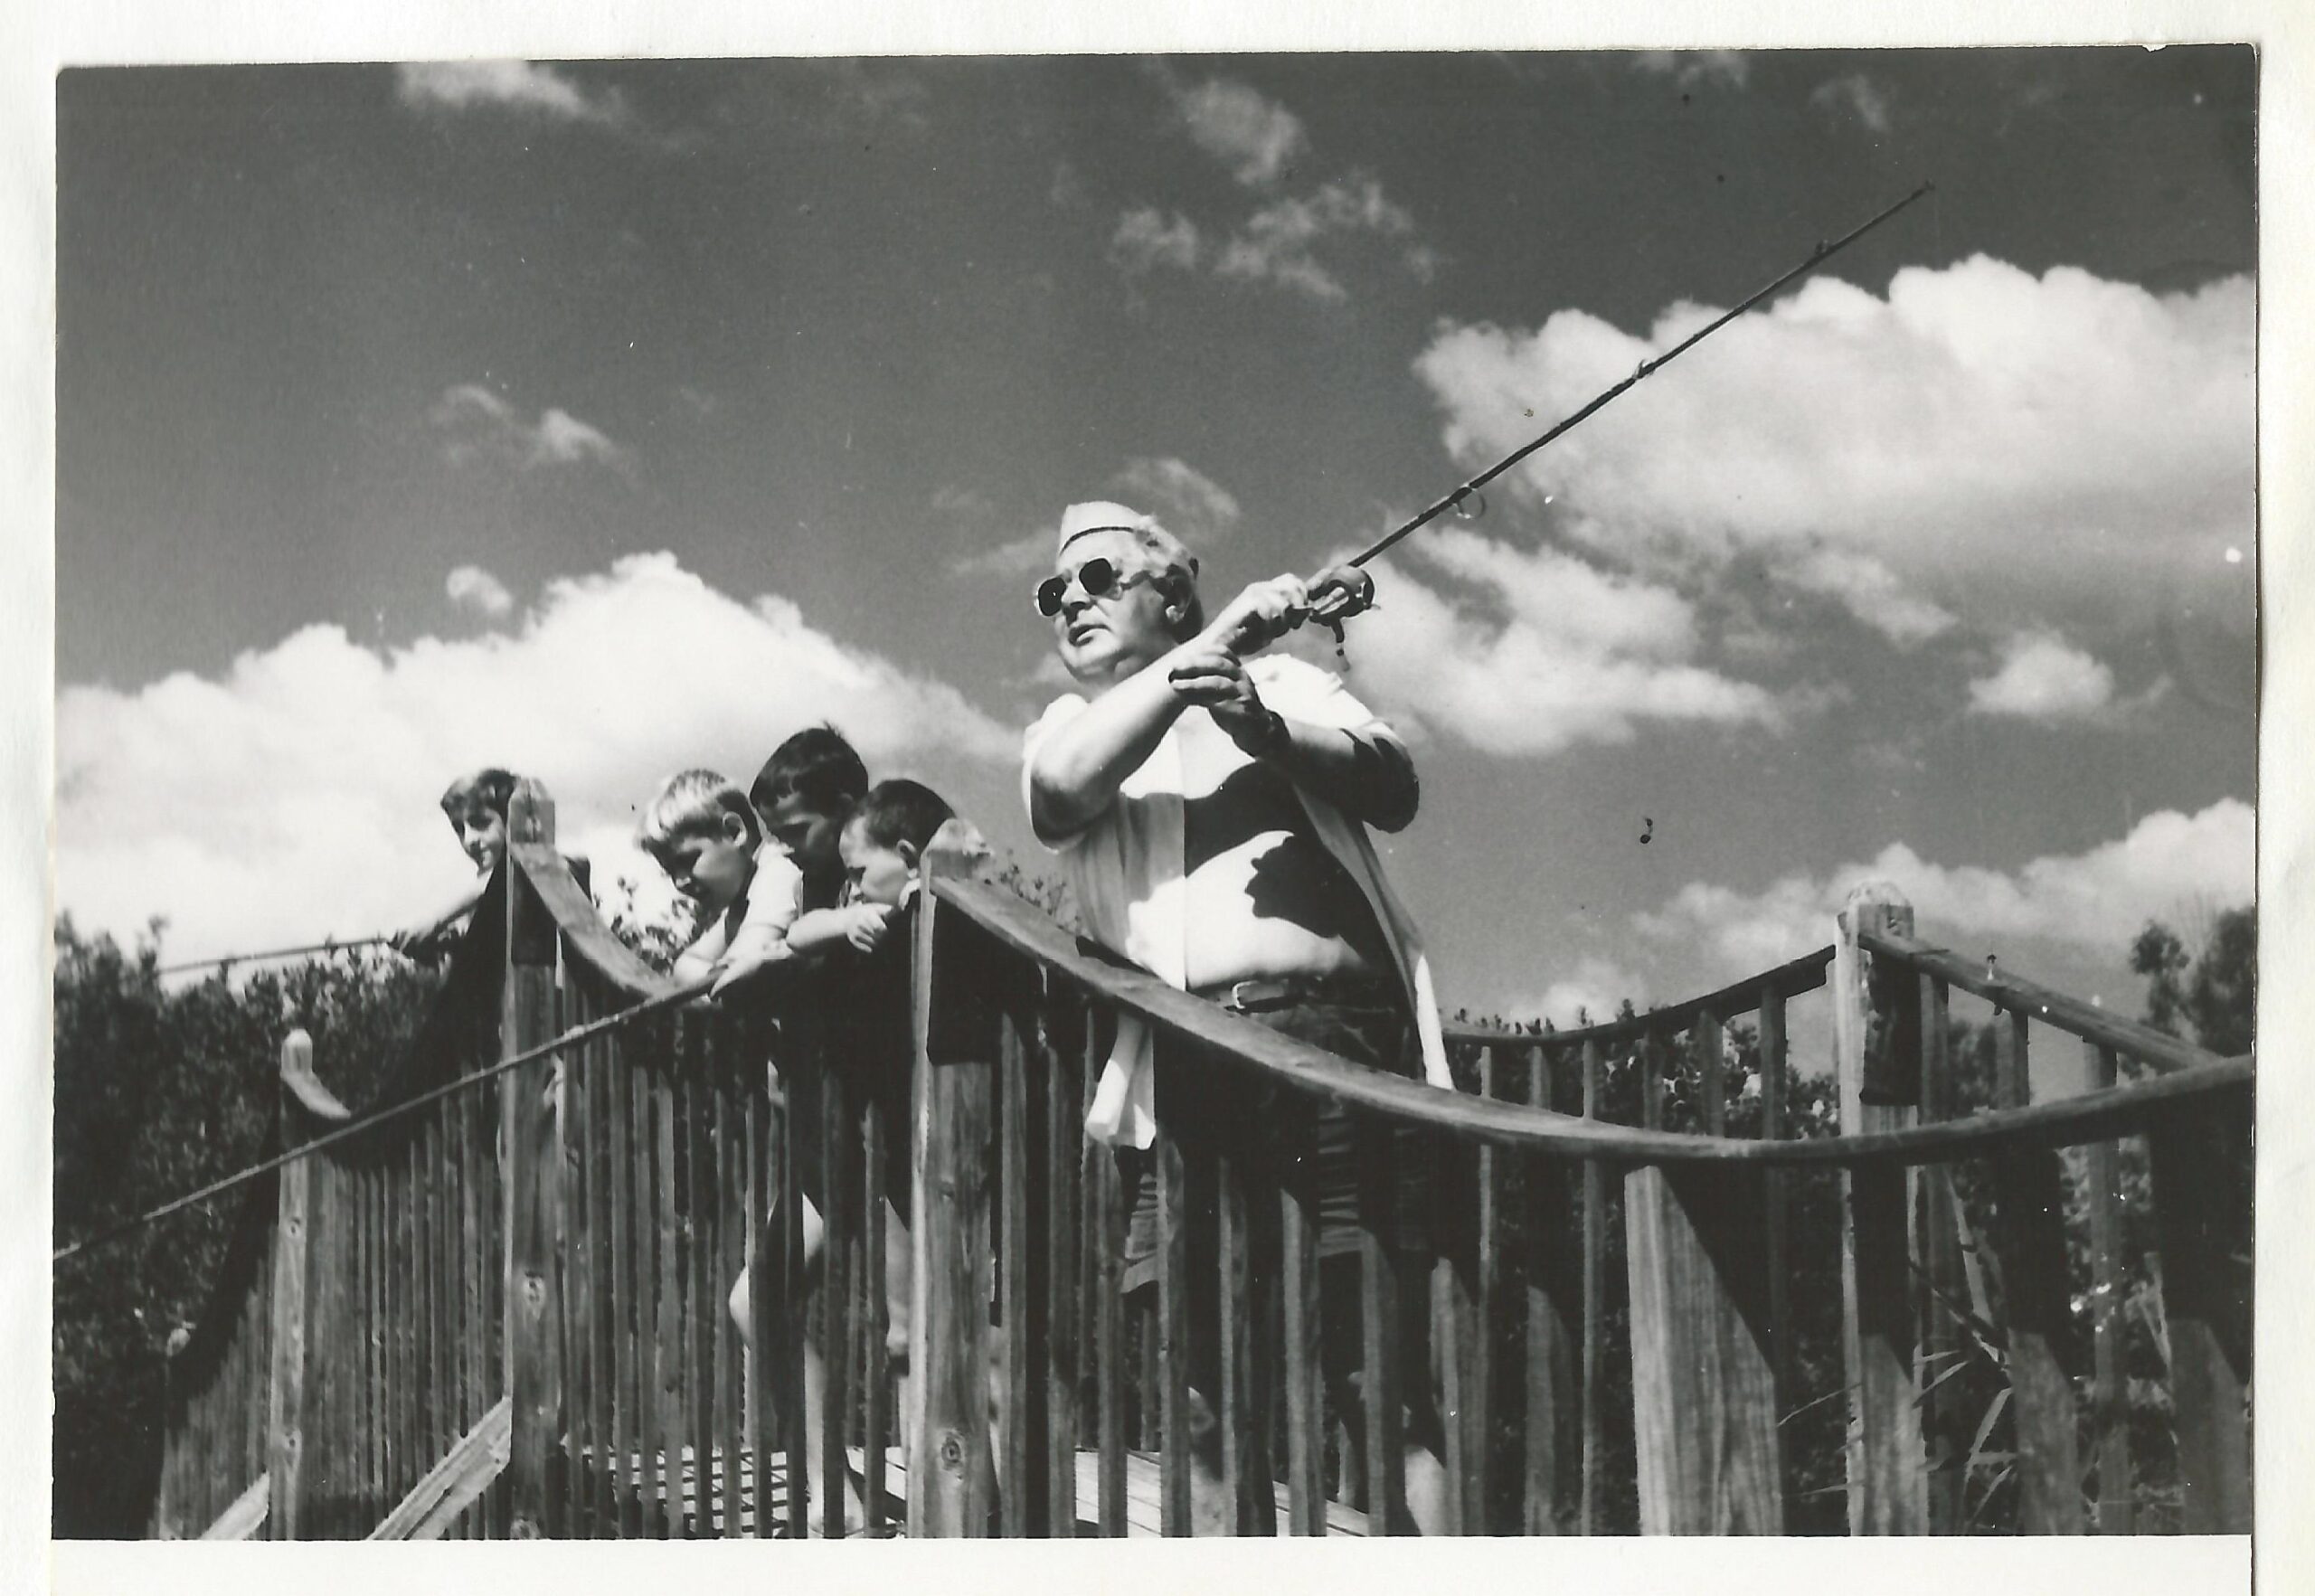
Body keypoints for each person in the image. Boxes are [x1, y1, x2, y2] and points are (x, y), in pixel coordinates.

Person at [1021, 500, 1454, 1535]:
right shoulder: (1071, 722)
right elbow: (1059, 794)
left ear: (1171, 593)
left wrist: (1263, 725)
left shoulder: (1288, 682)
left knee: (1380, 1384)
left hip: (1342, 1046)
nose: (1070, 600)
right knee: (1207, 1402)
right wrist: (1217, 643)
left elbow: (1393, 785)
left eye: (1098, 577)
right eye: (1053, 591)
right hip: (1186, 1065)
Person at [391, 768, 518, 960]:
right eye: (460, 829)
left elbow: (498, 878)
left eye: (481, 823)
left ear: (511, 822)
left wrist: (435, 921)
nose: (469, 840)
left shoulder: (531, 874)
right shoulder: (482, 899)